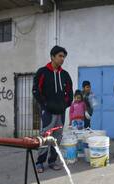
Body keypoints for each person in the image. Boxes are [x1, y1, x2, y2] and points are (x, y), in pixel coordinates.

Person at [33, 45, 73, 173]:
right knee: (45, 137)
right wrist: (45, 105)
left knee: (57, 138)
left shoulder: (65, 75)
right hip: (48, 113)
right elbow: (36, 90)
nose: (62, 59)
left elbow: (69, 92)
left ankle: (52, 161)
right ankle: (40, 162)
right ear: (52, 57)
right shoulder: (42, 72)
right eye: (60, 56)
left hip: (60, 113)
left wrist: (65, 105)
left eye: (64, 57)